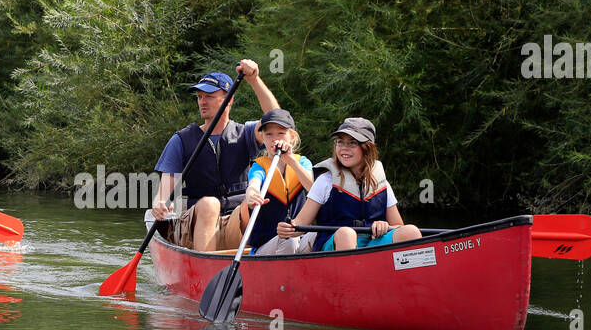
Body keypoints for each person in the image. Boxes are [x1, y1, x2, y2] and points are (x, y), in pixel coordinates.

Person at [149, 59, 280, 252]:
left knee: (257, 204)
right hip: (195, 222)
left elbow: (277, 118)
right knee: (210, 204)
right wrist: (159, 203)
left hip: (235, 219)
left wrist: (254, 80)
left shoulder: (245, 134)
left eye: (209, 96)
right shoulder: (181, 140)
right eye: (200, 97)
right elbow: (165, 189)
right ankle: (206, 268)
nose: (202, 102)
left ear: (230, 99)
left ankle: (253, 262)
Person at [277, 117, 422, 252]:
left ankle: (411, 278)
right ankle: (348, 277)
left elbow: (398, 226)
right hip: (334, 243)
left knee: (411, 232)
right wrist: (288, 228)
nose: (344, 148)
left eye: (352, 143)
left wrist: (386, 226)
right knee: (347, 233)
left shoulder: (381, 183)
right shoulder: (325, 180)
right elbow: (300, 223)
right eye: (340, 141)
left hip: (372, 242)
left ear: (368, 148)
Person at [235, 109, 316, 255]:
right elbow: (253, 185)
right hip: (267, 247)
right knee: (288, 238)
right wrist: (252, 194)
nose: (275, 139)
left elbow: (312, 187)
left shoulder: (302, 163)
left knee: (318, 236)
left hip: (297, 240)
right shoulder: (259, 166)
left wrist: (290, 160)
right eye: (269, 134)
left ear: (291, 137)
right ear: (263, 139)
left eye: (281, 133)